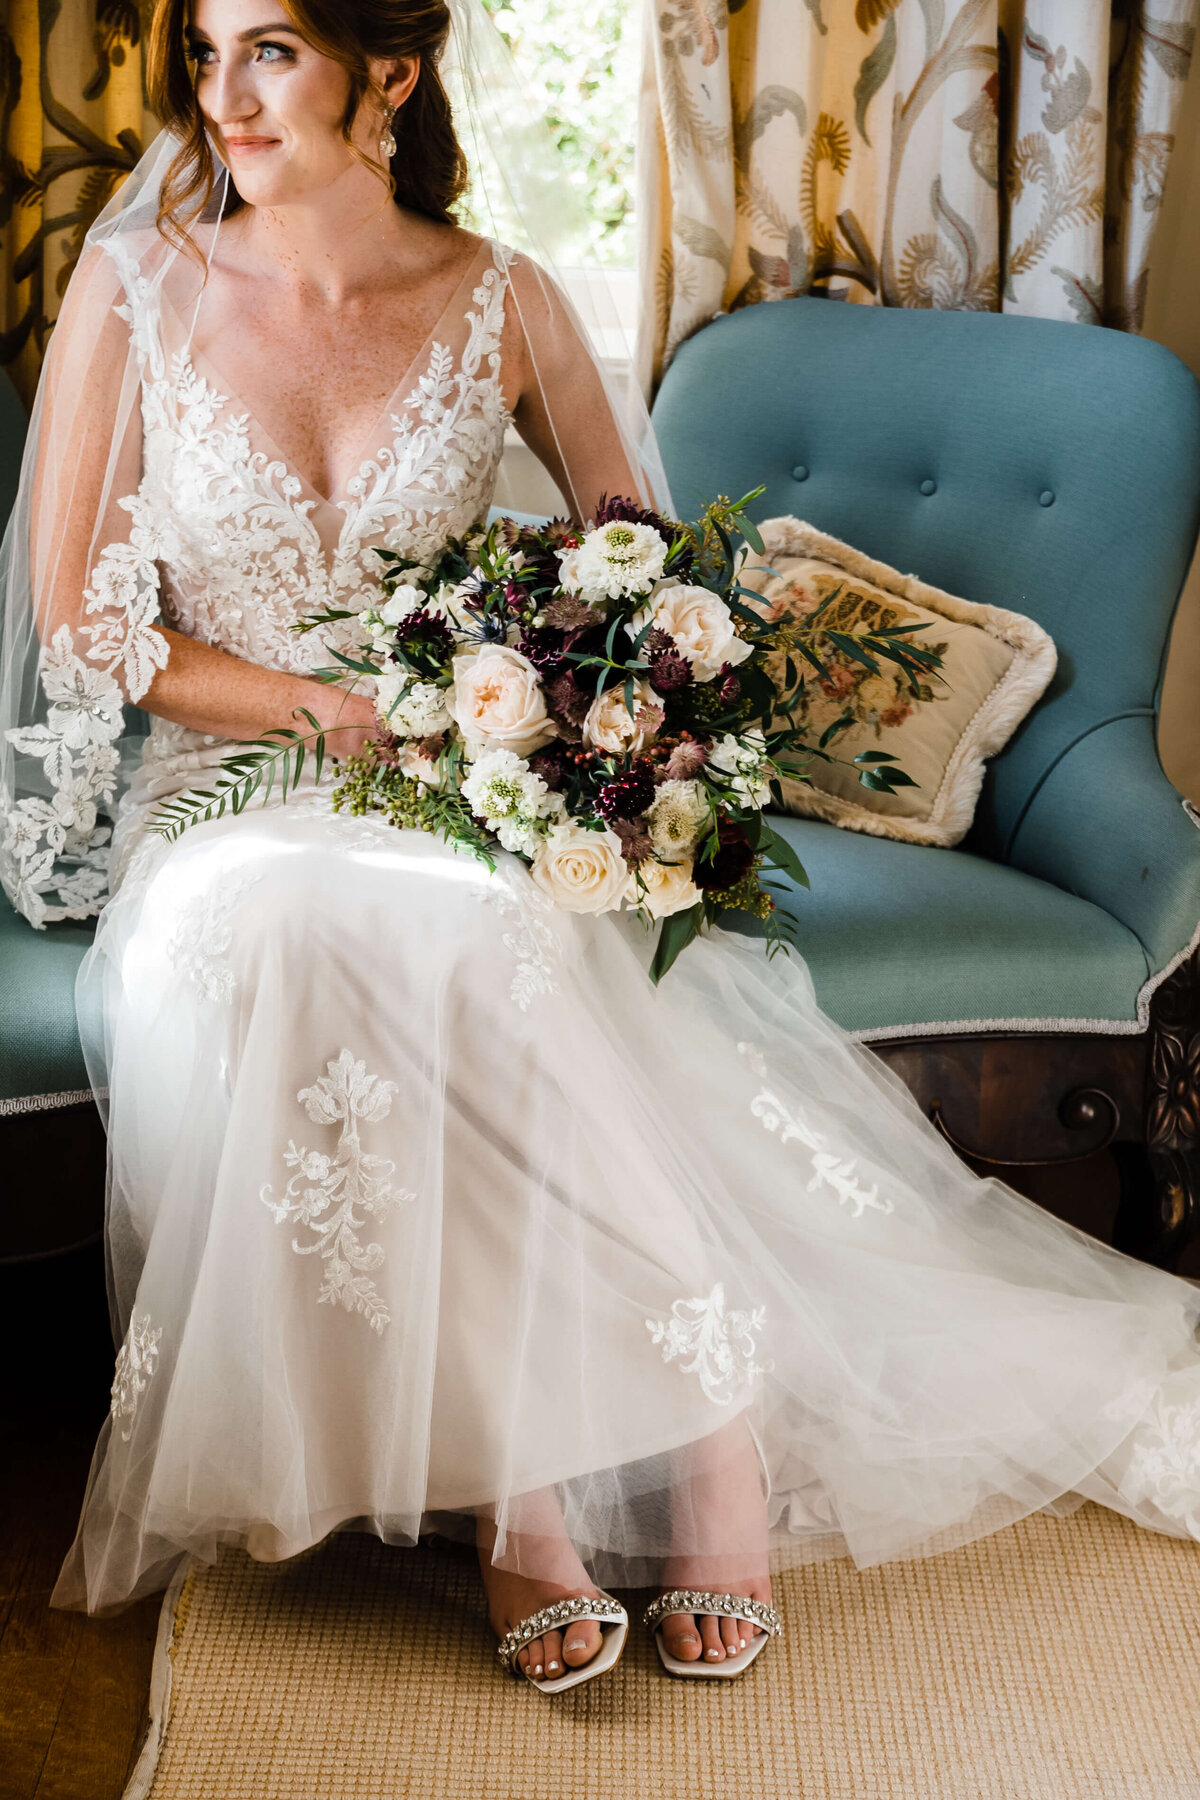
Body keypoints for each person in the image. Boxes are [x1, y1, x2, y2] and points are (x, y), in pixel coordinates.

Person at [2, 0, 1198, 1697]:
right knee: (307, 926)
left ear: (387, 75)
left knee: (487, 927)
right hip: (225, 797)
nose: (222, 94)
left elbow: (643, 571)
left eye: (269, 49)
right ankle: (537, 1481)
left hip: (455, 791)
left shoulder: (506, 299)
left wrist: (598, 711)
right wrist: (325, 714)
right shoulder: (133, 296)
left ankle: (685, 1440)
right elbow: (80, 628)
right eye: (207, 52)